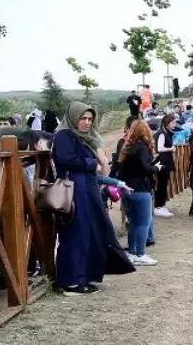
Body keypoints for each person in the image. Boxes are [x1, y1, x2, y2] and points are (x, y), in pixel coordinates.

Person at [51, 102, 135, 294]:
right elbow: (65, 159)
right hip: (75, 192)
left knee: (89, 234)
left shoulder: (83, 139)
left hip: (86, 191)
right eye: (82, 118)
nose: (86, 123)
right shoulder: (64, 135)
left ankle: (83, 277)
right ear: (73, 118)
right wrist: (92, 164)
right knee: (75, 235)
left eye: (90, 119)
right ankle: (71, 281)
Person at [117, 119, 162, 266]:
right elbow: (145, 168)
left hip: (126, 189)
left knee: (134, 223)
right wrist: (157, 168)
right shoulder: (142, 148)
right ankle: (141, 254)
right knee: (144, 223)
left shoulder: (127, 148)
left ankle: (132, 253)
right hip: (141, 189)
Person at [153, 113, 177, 218]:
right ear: (168, 123)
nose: (174, 124)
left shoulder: (165, 132)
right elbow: (160, 148)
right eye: (173, 122)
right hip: (162, 162)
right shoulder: (162, 133)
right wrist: (171, 148)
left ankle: (161, 205)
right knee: (162, 184)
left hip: (165, 162)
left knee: (163, 184)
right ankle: (159, 206)